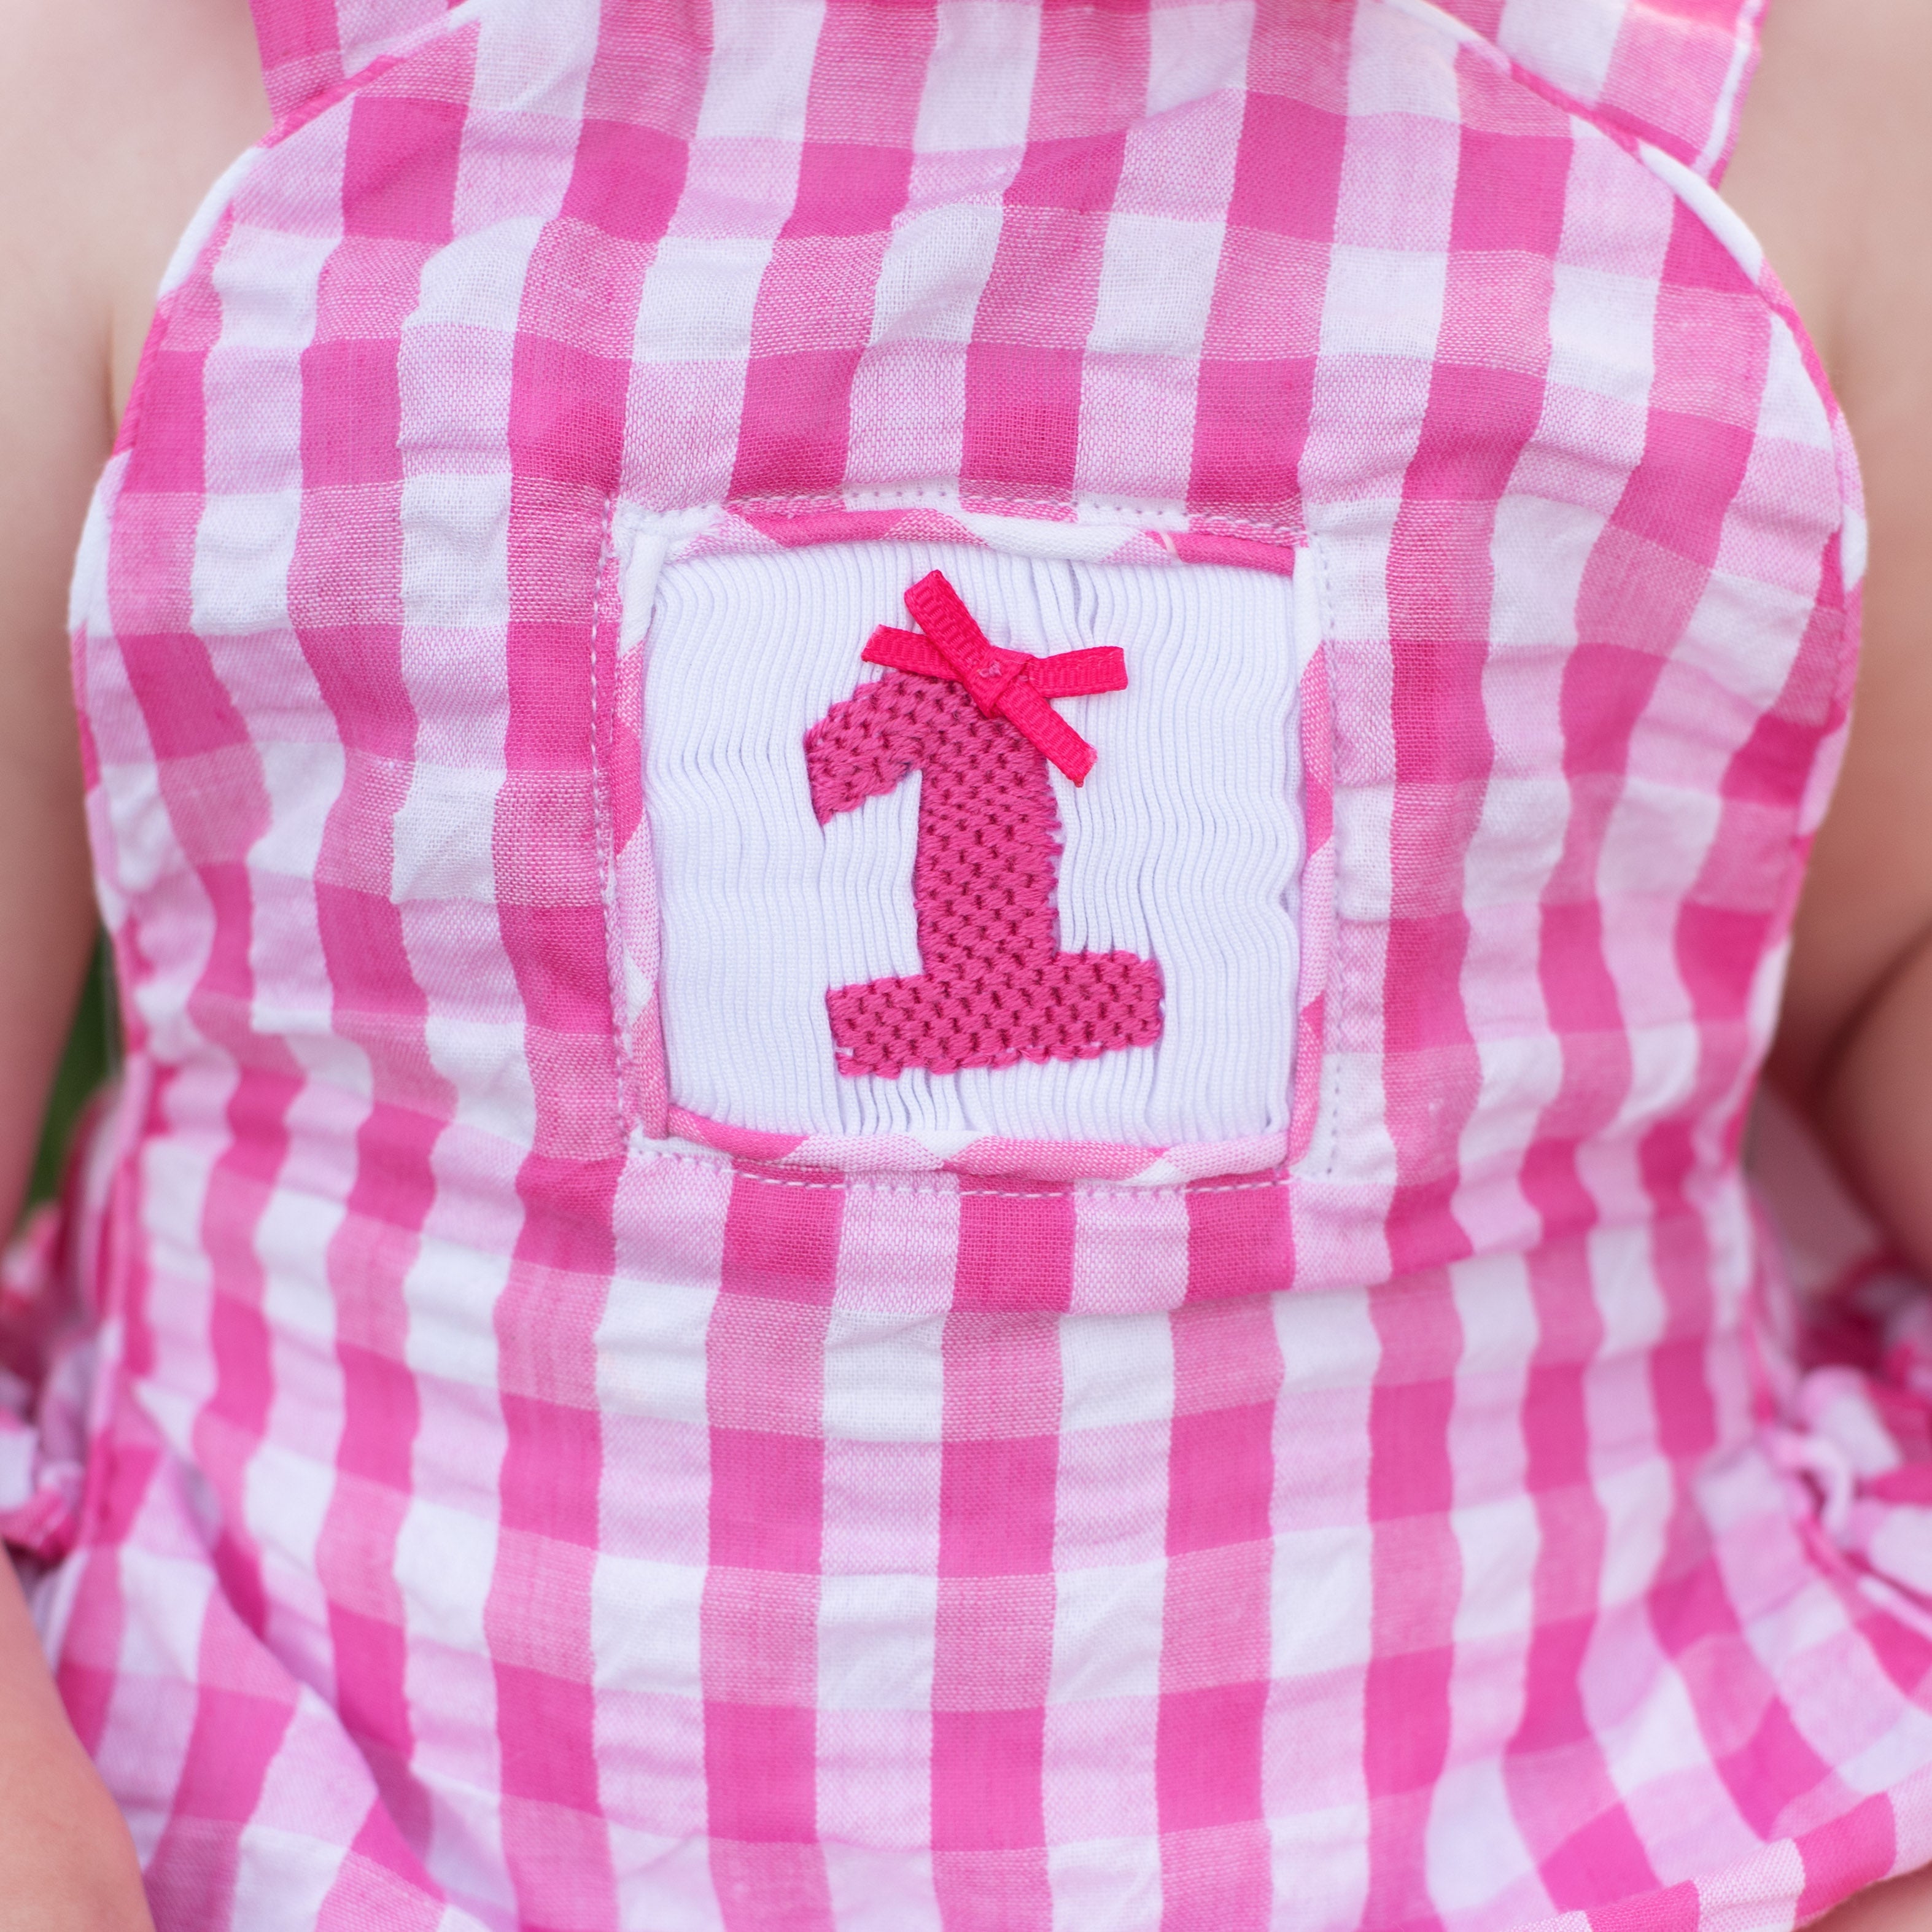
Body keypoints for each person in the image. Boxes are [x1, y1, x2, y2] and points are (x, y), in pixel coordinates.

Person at [2, 0, 1932, 1925]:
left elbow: (1885, 962)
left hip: (1594, 1798)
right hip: (311, 1808)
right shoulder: (138, 111)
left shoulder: (1782, 134)